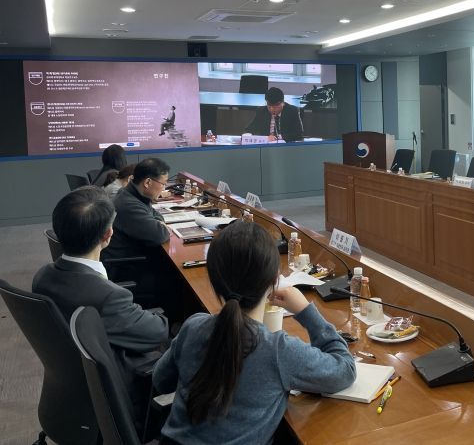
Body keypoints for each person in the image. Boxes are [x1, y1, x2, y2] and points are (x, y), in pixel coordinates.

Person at [153, 221, 356, 445]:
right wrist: (306, 312)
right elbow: (345, 370)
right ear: (275, 280)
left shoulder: (193, 327)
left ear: (214, 281)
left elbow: (161, 380)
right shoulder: (278, 350)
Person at [33, 186, 169, 410]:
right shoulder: (108, 296)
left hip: (71, 391)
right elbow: (158, 332)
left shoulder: (42, 276)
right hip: (118, 392)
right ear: (108, 235)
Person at [101, 158, 172, 309]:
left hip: (129, 260)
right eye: (163, 183)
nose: (164, 188)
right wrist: (161, 226)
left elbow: (156, 215)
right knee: (178, 275)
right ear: (147, 182)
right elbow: (160, 234)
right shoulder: (129, 204)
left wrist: (159, 222)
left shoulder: (133, 194)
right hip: (125, 268)